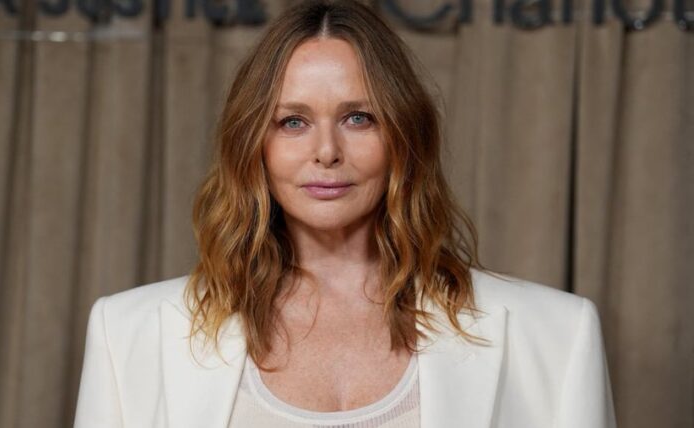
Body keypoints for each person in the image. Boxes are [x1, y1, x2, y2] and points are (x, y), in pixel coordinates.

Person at [73, 1, 616, 427]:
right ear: (253, 145)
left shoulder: (556, 336)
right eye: (292, 122)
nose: (327, 152)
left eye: (359, 118)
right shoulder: (128, 335)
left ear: (403, 137)